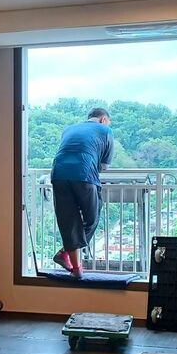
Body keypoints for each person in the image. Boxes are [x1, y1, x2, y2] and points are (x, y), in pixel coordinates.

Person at [50, 107, 113, 277]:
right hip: (84, 174)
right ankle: (64, 252)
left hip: (58, 173)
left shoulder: (69, 129)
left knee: (69, 221)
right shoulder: (106, 130)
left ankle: (76, 269)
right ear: (103, 120)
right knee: (92, 217)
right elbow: (104, 166)